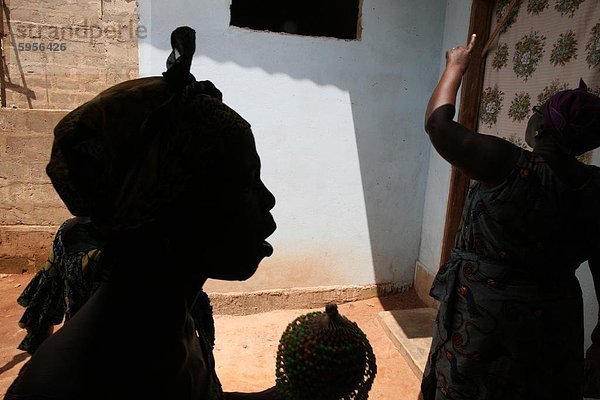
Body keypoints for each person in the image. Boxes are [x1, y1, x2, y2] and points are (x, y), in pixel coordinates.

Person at [5, 26, 280, 400]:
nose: (268, 200)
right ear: (169, 210)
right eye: (246, 182)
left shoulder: (161, 325)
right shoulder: (80, 383)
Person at [420, 34, 600, 399]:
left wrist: (456, 66)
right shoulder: (594, 189)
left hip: (486, 316)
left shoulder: (505, 163)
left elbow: (438, 125)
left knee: (466, 385)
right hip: (554, 315)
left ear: (540, 128)